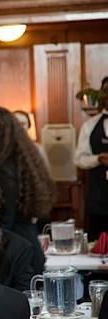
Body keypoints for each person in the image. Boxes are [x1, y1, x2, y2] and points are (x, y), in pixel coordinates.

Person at [0, 106, 55, 274]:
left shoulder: (5, 168)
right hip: (21, 244)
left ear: (3, 134)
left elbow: (6, 220)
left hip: (16, 251)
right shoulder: (6, 162)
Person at [74, 77, 108, 240]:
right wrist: (98, 159)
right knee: (96, 246)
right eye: (106, 91)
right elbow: (79, 159)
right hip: (98, 199)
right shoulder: (90, 125)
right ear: (101, 95)